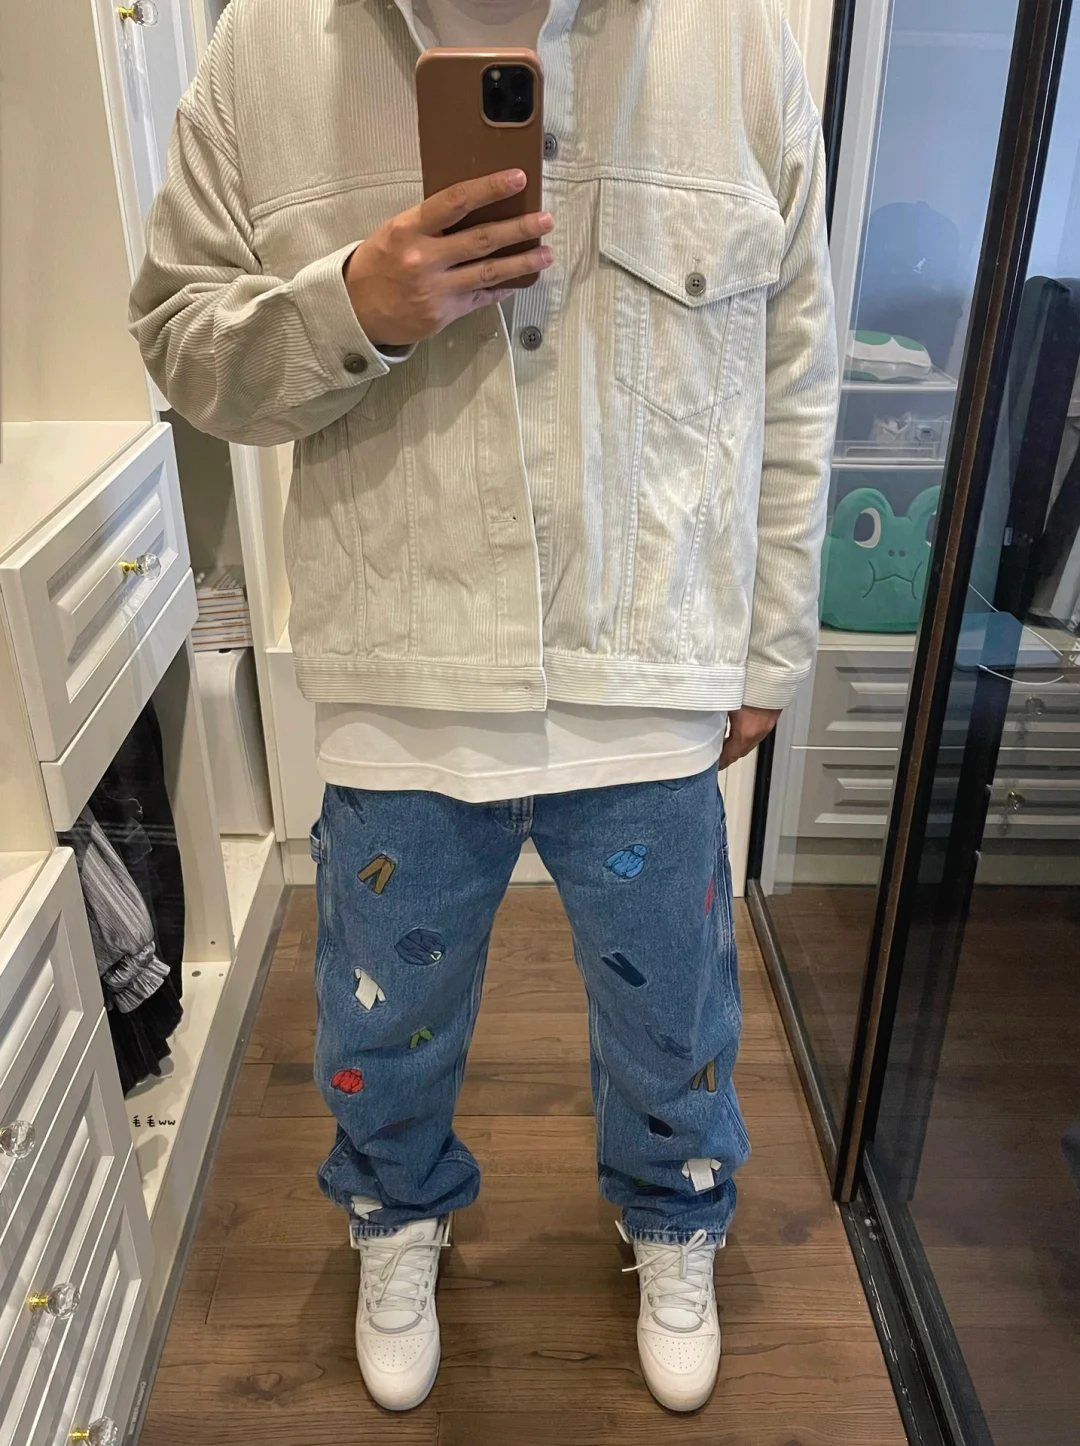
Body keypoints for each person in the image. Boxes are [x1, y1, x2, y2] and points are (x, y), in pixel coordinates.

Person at [130, 0, 837, 1415]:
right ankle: (393, 1212)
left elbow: (796, 363)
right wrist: (351, 305)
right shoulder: (269, 52)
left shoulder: (736, 41)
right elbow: (180, 342)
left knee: (675, 1014)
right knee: (380, 1018)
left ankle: (677, 1212)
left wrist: (770, 643)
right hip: (402, 678)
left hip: (647, 670)